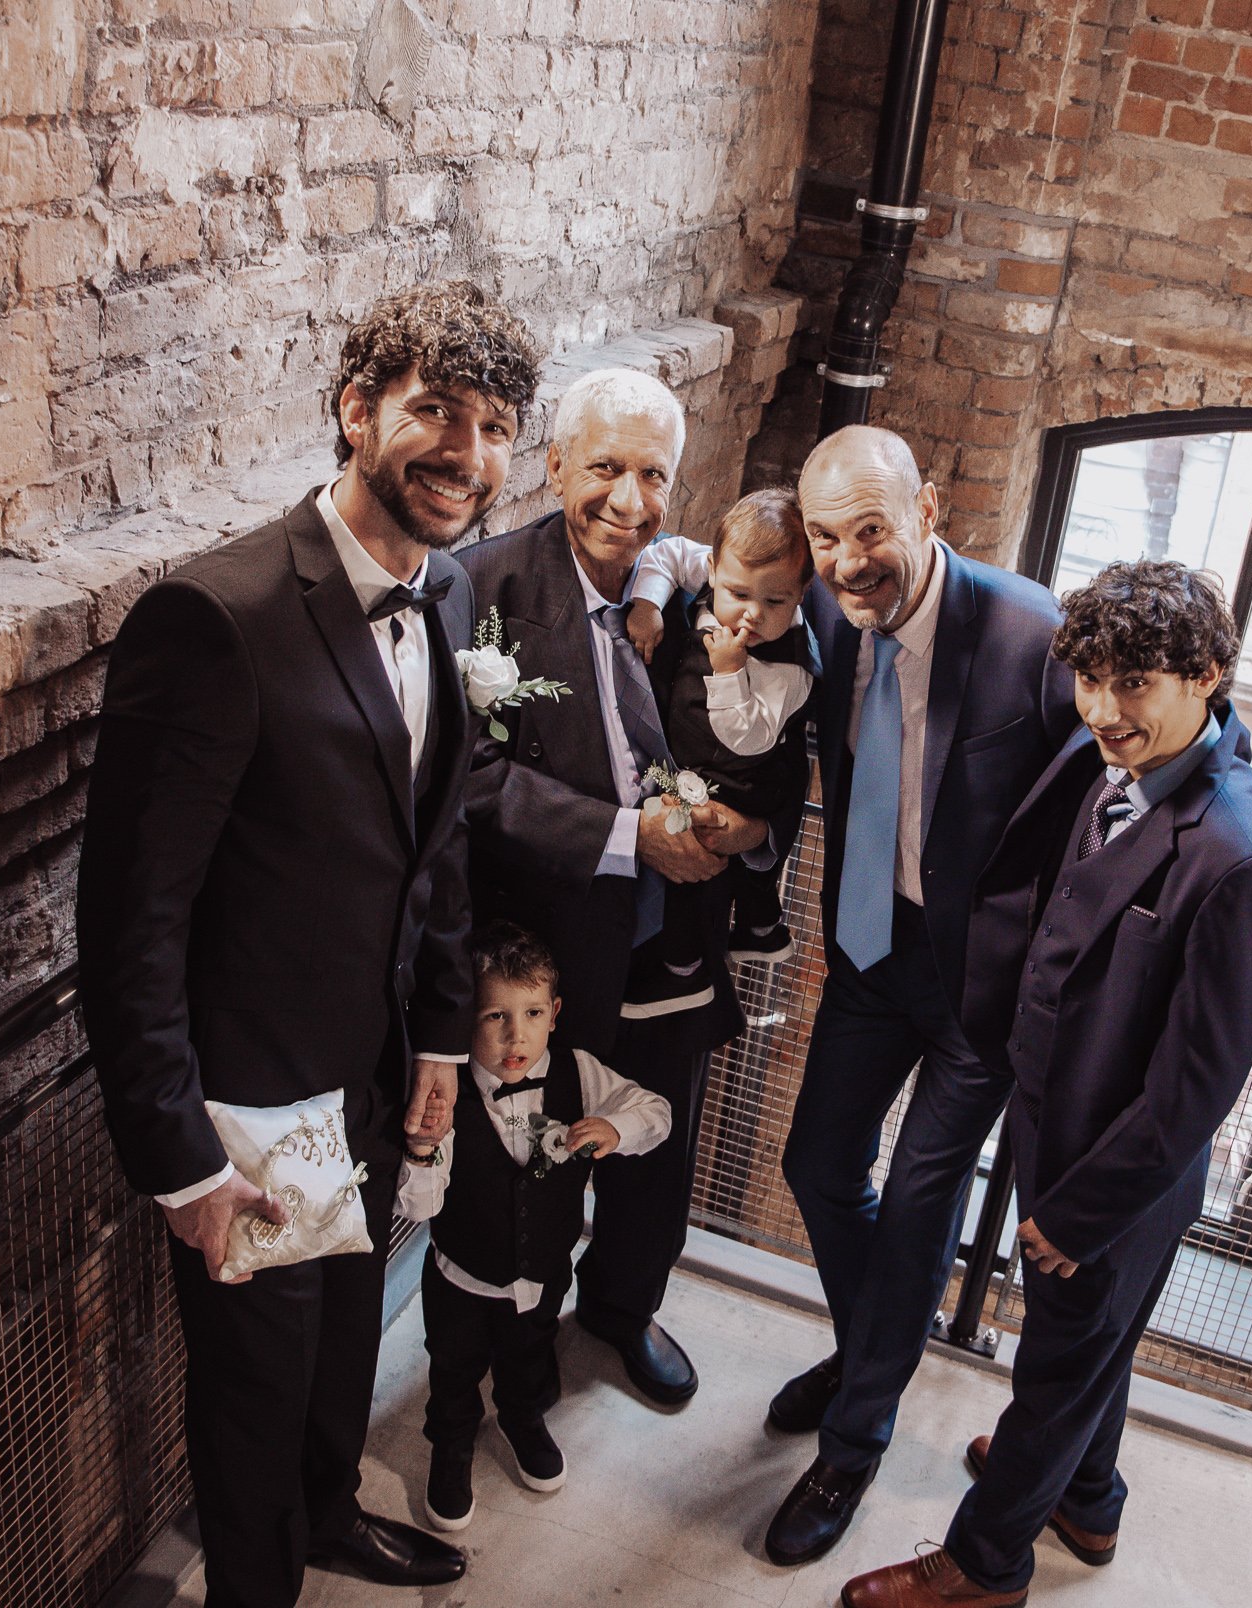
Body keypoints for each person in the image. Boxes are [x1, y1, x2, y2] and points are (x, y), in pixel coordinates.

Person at [76, 280, 540, 1607]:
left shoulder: (449, 596)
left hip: (380, 1075)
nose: (466, 453)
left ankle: (330, 1515)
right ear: (355, 411)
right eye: (435, 412)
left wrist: (441, 1034)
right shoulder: (216, 620)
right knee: (252, 1393)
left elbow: (434, 842)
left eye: (495, 424)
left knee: (343, 1347)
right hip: (253, 1111)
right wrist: (179, 1165)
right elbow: (131, 928)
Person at [840, 559, 1252, 1608]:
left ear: (1208, 676)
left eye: (1132, 684)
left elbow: (1199, 1085)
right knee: (1095, 1349)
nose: (1101, 709)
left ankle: (983, 1563)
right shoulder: (1116, 767)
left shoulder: (1236, 861)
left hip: (1112, 1181)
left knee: (1053, 1372)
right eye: (1090, 681)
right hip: (1051, 1128)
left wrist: (1080, 1215)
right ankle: (1085, 1498)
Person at [762, 425, 1076, 1568]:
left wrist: (1042, 976)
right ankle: (869, 1347)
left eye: (869, 532)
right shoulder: (830, 625)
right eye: (824, 536)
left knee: (913, 1210)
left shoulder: (1032, 637)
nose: (846, 561)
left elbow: (1102, 815)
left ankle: (854, 1441)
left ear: (929, 510)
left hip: (977, 999)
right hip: (867, 951)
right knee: (813, 1166)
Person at [460, 368, 795, 1407]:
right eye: (603, 467)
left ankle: (619, 1312)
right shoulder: (485, 592)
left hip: (677, 941)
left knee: (655, 1162)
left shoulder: (704, 589)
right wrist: (621, 836)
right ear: (553, 465)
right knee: (534, 1159)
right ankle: (510, 1339)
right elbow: (468, 779)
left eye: (652, 474)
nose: (628, 498)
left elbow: (795, 715)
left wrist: (756, 826)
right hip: (551, 947)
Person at [396, 922, 672, 1531]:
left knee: (529, 1358)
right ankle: (452, 1445)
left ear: (555, 1013)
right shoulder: (449, 1090)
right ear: (469, 1017)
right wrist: (420, 1150)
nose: (516, 1035)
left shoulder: (577, 1072)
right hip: (462, 1281)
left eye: (532, 1013)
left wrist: (615, 1129)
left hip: (544, 1274)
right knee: (453, 1369)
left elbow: (657, 1112)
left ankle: (522, 1420)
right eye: (495, 1016)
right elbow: (418, 1209)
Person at [622, 485, 820, 1000]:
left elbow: (750, 737)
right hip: (694, 761)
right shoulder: (714, 568)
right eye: (737, 594)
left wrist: (731, 672)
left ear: (802, 593)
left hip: (742, 779)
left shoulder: (790, 666)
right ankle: (761, 929)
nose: (751, 614)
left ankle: (684, 972)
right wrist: (647, 603)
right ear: (713, 570)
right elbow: (663, 553)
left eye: (775, 600)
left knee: (697, 865)